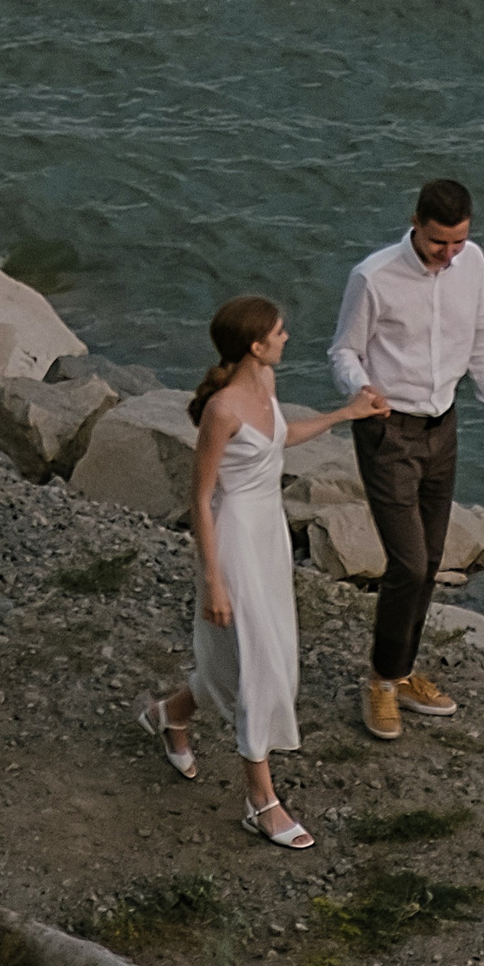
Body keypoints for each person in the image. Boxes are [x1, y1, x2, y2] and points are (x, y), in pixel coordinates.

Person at [137, 294, 389, 850]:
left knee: (245, 657)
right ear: (255, 345)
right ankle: (260, 800)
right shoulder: (221, 409)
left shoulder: (266, 389)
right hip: (233, 544)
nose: (286, 337)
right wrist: (214, 580)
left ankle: (169, 714)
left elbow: (278, 441)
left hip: (268, 536)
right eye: (279, 332)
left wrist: (347, 415)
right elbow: (200, 498)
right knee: (262, 667)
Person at [329, 177, 484, 742]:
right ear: (416, 223)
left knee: (432, 559)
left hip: (445, 427)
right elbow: (343, 348)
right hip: (388, 429)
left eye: (459, 242)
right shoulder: (373, 277)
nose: (449, 254)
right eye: (440, 243)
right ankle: (381, 683)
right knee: (410, 564)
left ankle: (403, 670)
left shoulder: (474, 264)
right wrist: (362, 388)